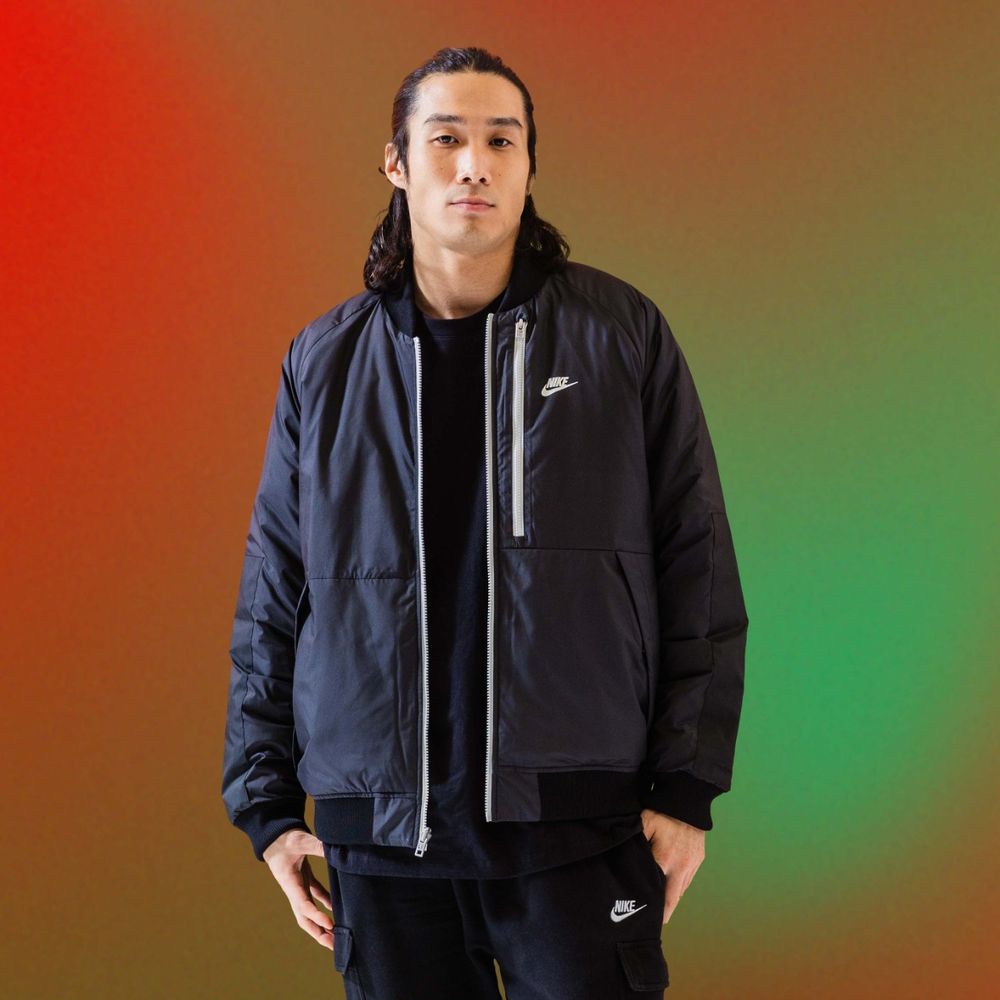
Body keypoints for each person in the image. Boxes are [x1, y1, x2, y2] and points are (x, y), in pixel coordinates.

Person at [221, 46, 749, 999]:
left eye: (502, 141)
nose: (475, 164)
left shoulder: (621, 335)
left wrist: (685, 788)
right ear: (397, 163)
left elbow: (696, 561)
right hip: (383, 840)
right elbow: (276, 589)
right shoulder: (324, 362)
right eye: (447, 139)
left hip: (578, 826)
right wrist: (267, 805)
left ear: (529, 166)